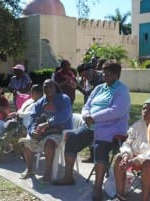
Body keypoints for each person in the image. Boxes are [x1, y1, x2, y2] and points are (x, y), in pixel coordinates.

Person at [53, 61, 130, 201]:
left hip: (111, 130)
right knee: (71, 139)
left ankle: (97, 188)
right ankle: (68, 177)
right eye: (103, 73)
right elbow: (87, 104)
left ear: (116, 75)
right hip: (91, 126)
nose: (104, 75)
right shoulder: (99, 88)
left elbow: (117, 111)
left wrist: (94, 117)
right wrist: (86, 115)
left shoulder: (122, 90)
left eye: (108, 73)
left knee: (100, 149)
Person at [19, 79, 73, 183]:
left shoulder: (64, 99)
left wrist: (47, 123)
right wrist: (31, 130)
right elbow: (32, 117)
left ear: (55, 87)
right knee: (25, 142)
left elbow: (64, 116)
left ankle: (48, 172)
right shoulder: (41, 101)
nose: (47, 89)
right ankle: (29, 169)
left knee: (50, 142)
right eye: (45, 87)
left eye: (50, 86)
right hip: (43, 131)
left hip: (60, 131)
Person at [0, 84, 43, 164]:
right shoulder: (30, 100)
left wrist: (18, 114)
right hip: (19, 123)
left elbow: (32, 113)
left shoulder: (41, 103)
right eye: (31, 92)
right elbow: (21, 110)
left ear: (39, 93)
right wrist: (15, 114)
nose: (30, 94)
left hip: (28, 127)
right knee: (6, 133)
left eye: (33, 92)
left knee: (7, 135)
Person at [112, 99, 150, 201]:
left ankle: (145, 199)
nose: (145, 111)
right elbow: (128, 142)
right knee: (118, 158)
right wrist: (126, 156)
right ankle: (120, 195)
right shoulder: (138, 125)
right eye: (144, 108)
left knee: (148, 166)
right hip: (137, 156)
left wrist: (134, 161)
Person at [76, 63, 104, 163]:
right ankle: (93, 156)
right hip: (90, 111)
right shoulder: (88, 79)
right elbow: (86, 93)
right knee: (91, 133)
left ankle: (100, 159)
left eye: (86, 74)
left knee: (98, 135)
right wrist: (78, 87)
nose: (85, 77)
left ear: (91, 70)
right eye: (83, 76)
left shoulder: (102, 77)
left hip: (100, 112)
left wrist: (78, 87)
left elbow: (92, 92)